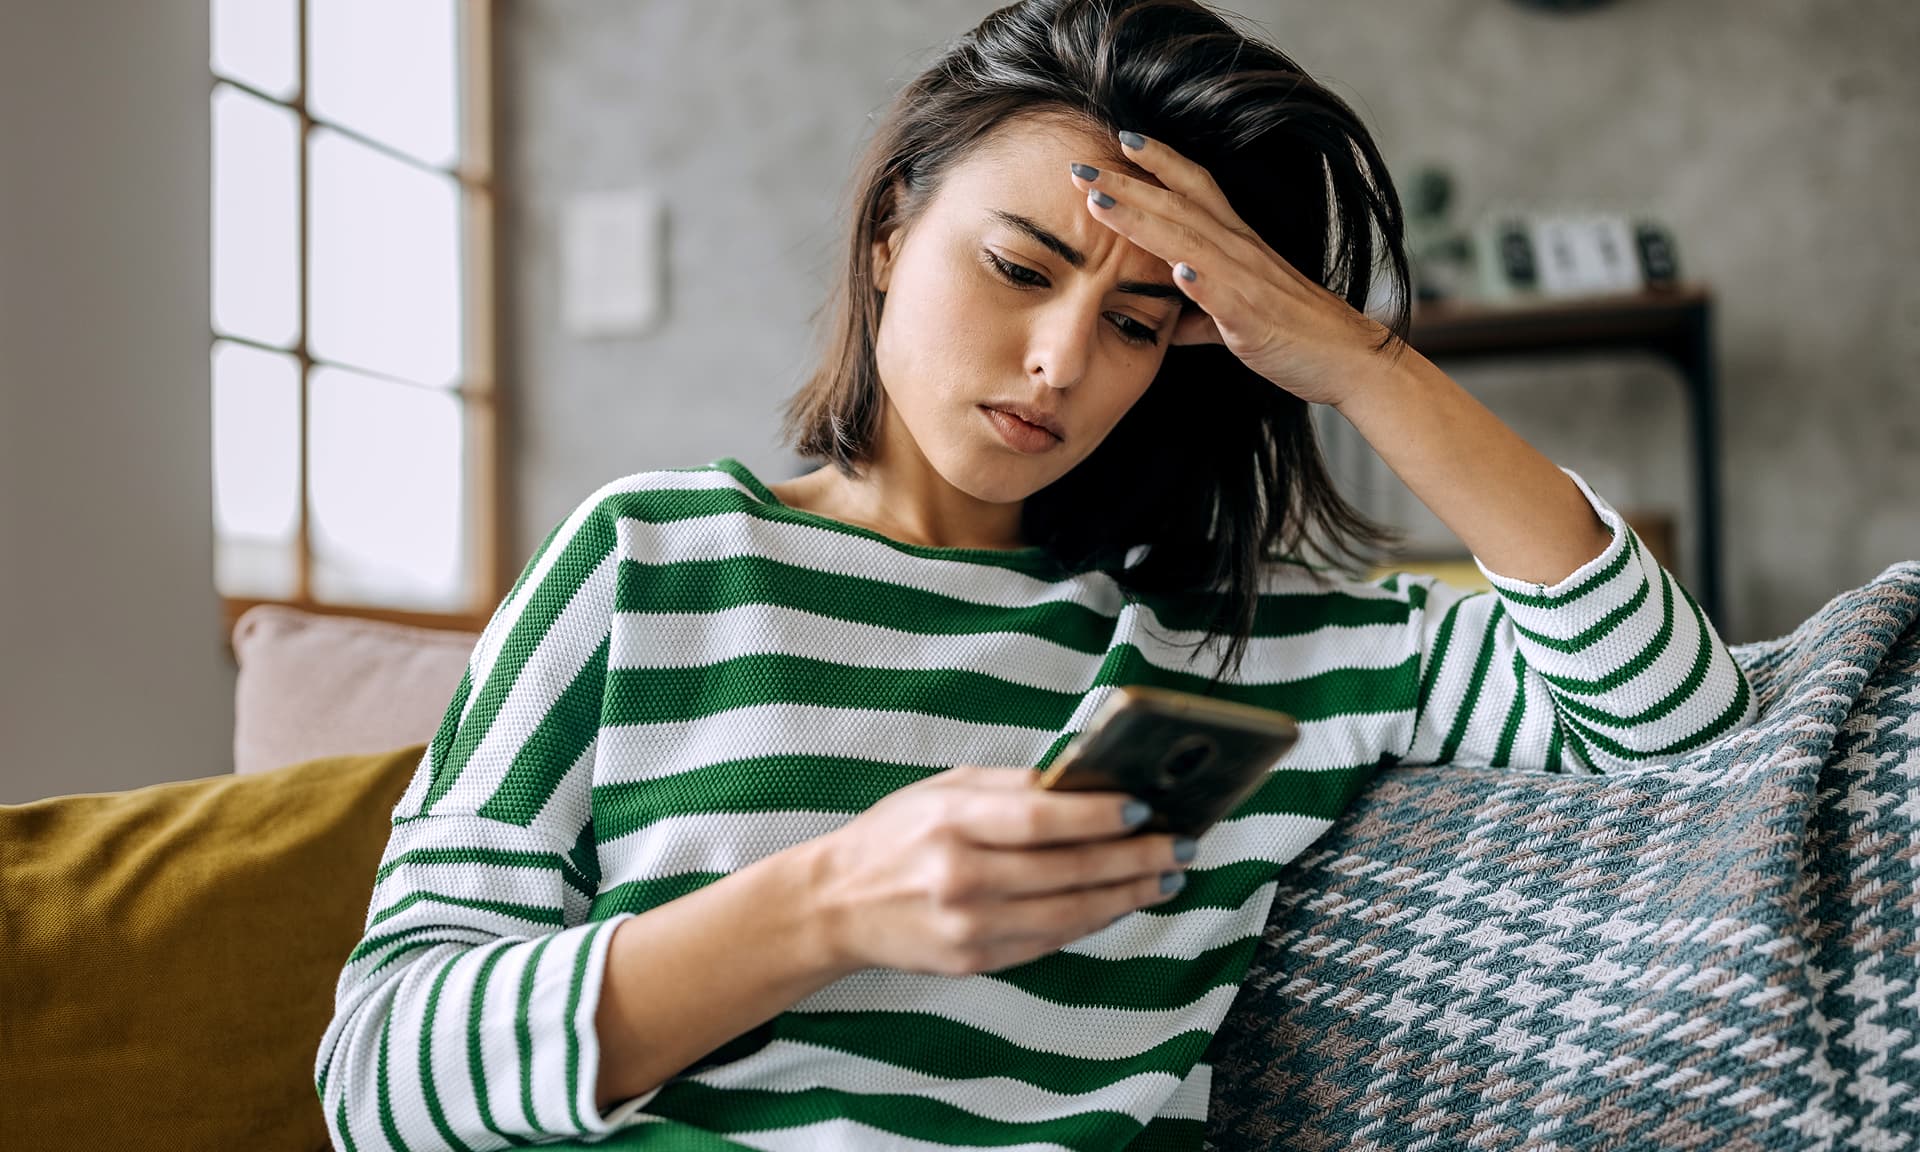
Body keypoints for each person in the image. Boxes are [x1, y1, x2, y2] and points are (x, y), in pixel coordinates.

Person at [315, 1, 1758, 1148]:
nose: (1065, 360)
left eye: (1139, 320)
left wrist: (1359, 362)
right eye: (1018, 269)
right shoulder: (654, 560)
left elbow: (1679, 727)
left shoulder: (1263, 651)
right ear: (890, 234)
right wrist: (824, 906)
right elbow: (382, 1075)